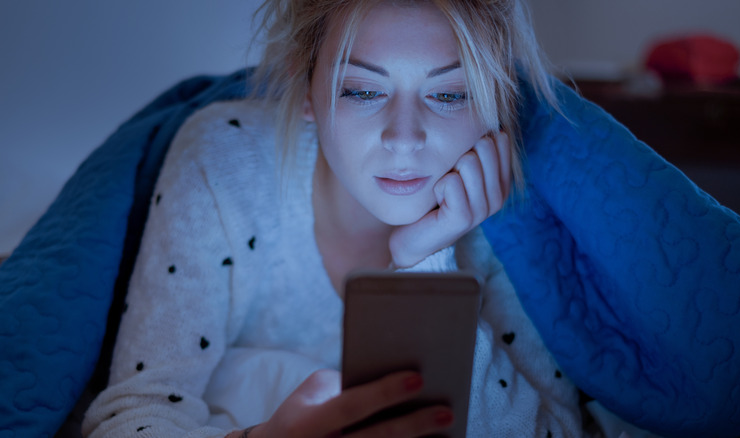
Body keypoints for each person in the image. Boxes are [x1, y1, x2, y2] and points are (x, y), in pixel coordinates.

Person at [82, 0, 638, 437]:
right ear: (307, 91)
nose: (404, 138)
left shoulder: (508, 216)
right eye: (363, 90)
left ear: (493, 102)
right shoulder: (225, 164)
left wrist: (426, 260)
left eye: (448, 94)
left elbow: (554, 432)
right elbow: (130, 416)